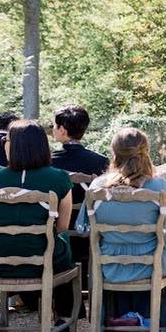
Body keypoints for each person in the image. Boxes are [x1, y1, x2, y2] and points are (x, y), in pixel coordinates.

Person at [76, 128, 166, 322]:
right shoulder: (159, 186)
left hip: (109, 266)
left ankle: (111, 322)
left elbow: (84, 230)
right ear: (146, 152)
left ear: (114, 154)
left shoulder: (96, 187)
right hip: (150, 265)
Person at [0, 120, 76, 323]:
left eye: (7, 139)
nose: (4, 143)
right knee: (62, 243)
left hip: (0, 263)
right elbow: (62, 227)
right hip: (44, 263)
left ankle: (35, 304)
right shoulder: (59, 177)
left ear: (14, 146)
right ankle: (64, 315)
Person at [50, 104, 108, 303]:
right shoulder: (100, 162)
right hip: (89, 233)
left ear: (63, 130)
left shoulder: (49, 162)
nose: (52, 129)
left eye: (54, 126)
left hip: (57, 235)